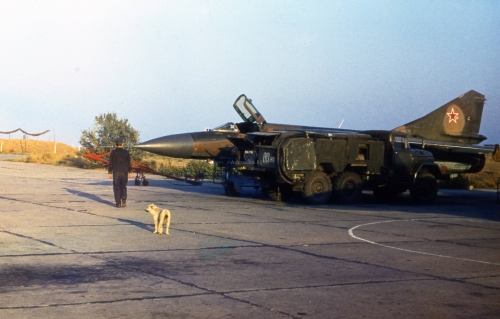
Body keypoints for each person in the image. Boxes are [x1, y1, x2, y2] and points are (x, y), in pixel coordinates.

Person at [108, 137, 132, 207]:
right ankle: (124, 200)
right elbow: (128, 163)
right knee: (123, 186)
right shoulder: (126, 152)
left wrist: (110, 172)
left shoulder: (113, 152)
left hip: (116, 172)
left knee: (117, 187)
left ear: (116, 144)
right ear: (123, 144)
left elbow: (111, 163)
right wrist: (130, 171)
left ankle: (118, 203)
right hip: (124, 172)